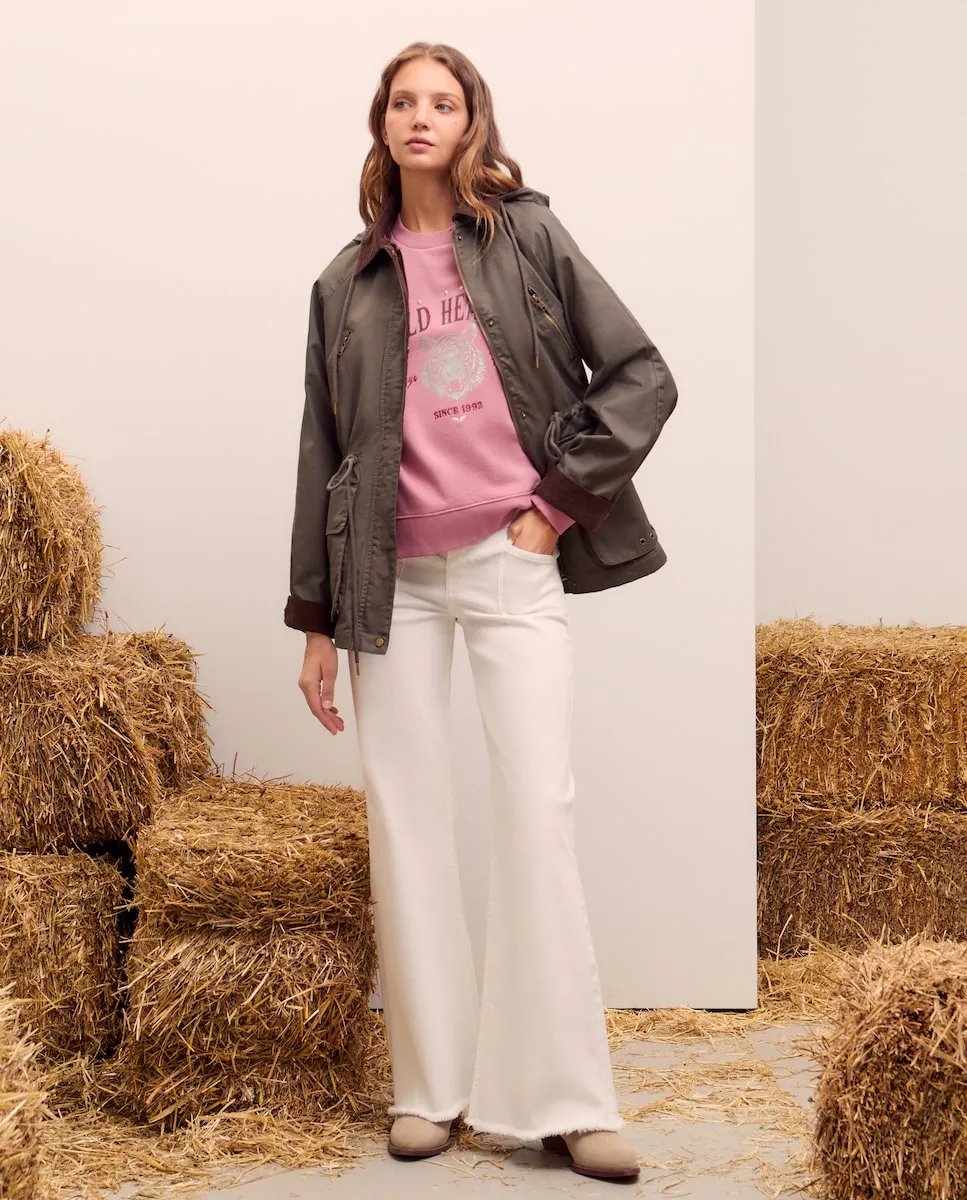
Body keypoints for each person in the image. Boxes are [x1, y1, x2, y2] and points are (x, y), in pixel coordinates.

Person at [284, 41, 678, 1184]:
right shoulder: (343, 283)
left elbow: (642, 375)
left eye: (442, 102)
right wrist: (316, 619)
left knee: (535, 813)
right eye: (403, 101)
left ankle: (564, 1099)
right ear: (382, 122)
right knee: (406, 820)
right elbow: (321, 449)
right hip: (390, 583)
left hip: (511, 567)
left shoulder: (529, 237)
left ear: (470, 122)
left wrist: (553, 510)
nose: (421, 117)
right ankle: (431, 1090)